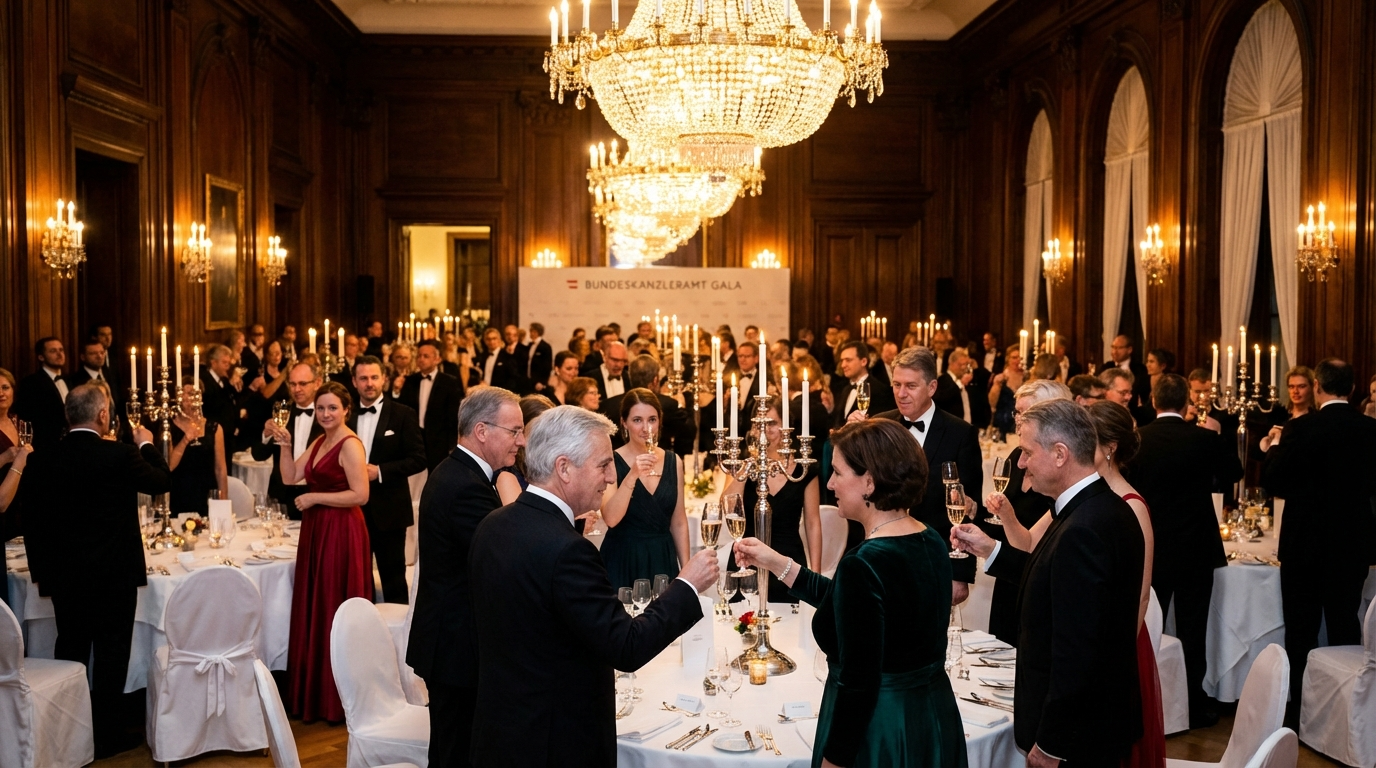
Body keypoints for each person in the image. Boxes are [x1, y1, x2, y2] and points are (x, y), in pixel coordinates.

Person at [468, 405, 717, 767]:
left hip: (501, 733)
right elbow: (626, 646)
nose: (610, 478)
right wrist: (687, 585)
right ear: (564, 468)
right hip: (556, 743)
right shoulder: (568, 550)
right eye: (603, 465)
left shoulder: (492, 525)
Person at [734, 419, 969, 768]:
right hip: (931, 715)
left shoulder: (865, 562)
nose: (830, 484)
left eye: (838, 473)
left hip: (879, 730)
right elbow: (857, 604)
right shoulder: (928, 538)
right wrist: (777, 562)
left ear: (869, 482)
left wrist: (835, 760)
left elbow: (859, 684)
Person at [951, 399, 1145, 765]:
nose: (1020, 462)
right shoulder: (1097, 508)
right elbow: (1057, 582)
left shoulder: (1085, 527)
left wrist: (1053, 742)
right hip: (1095, 725)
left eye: (1026, 451)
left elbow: (1077, 651)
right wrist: (990, 550)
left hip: (1080, 738)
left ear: (1060, 454)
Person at [19, 384, 169, 756]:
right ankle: (107, 736)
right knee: (111, 655)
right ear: (103, 415)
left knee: (70, 649)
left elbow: (31, 522)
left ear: (69, 416)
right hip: (114, 574)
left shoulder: (42, 457)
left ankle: (69, 731)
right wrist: (147, 443)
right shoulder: (119, 454)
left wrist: (44, 576)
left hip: (65, 577)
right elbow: (163, 481)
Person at [407, 387, 524, 768]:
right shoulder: (465, 487)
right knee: (456, 753)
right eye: (514, 431)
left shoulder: (464, 473)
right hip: (456, 646)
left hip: (453, 641)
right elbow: (499, 558)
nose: (520, 442)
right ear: (482, 430)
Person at [1260, 358, 1376, 727]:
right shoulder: (1370, 430)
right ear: (1353, 389)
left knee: (1300, 630)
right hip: (1350, 543)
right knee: (1345, 625)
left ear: (1318, 387)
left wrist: (1275, 446)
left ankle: (1295, 714)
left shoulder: (1301, 428)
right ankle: (1345, 712)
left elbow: (1274, 482)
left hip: (1304, 544)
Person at [1130, 373, 1243, 729]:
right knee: (1194, 629)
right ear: (1186, 404)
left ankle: (1146, 701)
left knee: (1148, 626)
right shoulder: (1204, 438)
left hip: (1154, 546)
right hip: (1196, 546)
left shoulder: (1139, 440)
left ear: (1153, 399)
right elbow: (1234, 473)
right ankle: (1193, 704)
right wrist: (1219, 439)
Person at [266, 381, 372, 723]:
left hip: (341, 532)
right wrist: (284, 445)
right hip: (318, 531)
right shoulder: (318, 440)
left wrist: (315, 498)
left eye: (332, 408)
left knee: (332, 604)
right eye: (321, 408)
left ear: (345, 410)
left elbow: (360, 494)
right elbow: (290, 476)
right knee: (315, 603)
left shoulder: (350, 444)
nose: (325, 414)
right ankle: (313, 694)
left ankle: (335, 699)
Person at [863, 346, 979, 602]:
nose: (901, 394)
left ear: (932, 387)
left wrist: (960, 573)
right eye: (896, 384)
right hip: (883, 556)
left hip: (934, 558)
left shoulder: (960, 434)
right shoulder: (880, 427)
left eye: (911, 386)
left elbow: (968, 510)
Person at [1085, 400, 1165, 764]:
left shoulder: (1133, 505)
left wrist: (1111, 660)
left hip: (1120, 644)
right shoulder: (1085, 494)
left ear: (1110, 448)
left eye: (1087, 440)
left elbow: (1142, 595)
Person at [977, 380, 1067, 645]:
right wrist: (974, 514)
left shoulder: (1056, 468)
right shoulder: (1018, 455)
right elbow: (1000, 522)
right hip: (1008, 576)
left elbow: (1035, 542)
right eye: (1017, 412)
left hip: (1035, 579)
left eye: (1026, 413)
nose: (1018, 420)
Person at [723, 399, 821, 599]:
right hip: (747, 563)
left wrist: (815, 574)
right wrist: (747, 464)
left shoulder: (804, 470)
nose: (764, 430)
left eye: (772, 423)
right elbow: (728, 508)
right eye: (758, 424)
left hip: (789, 563)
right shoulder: (741, 467)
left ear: (787, 428)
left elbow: (813, 524)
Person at [349, 356, 426, 605]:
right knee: (357, 577)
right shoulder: (344, 415)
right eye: (363, 378)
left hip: (390, 510)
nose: (369, 383)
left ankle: (399, 637)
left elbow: (418, 459)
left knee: (393, 578)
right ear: (354, 382)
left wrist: (379, 471)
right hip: (351, 510)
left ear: (384, 379)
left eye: (374, 377)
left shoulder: (403, 414)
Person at [598, 389, 687, 589]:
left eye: (652, 419)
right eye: (637, 420)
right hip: (623, 558)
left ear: (660, 421)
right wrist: (633, 474)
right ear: (624, 422)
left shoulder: (674, 462)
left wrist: (687, 573)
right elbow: (611, 518)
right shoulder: (610, 460)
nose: (646, 428)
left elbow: (679, 522)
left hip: (662, 556)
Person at [251, 360, 323, 518]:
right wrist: (266, 435)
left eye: (303, 384)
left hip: (314, 496)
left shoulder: (326, 416)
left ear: (317, 383)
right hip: (281, 494)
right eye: (292, 384)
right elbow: (258, 455)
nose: (297, 389)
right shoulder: (282, 412)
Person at [601, 354, 694, 457]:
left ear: (630, 376)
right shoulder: (668, 404)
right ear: (655, 380)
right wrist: (681, 405)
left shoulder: (608, 405)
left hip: (616, 465)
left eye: (652, 420)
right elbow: (688, 431)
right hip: (657, 463)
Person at [399, 339, 465, 470]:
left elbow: (453, 416)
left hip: (439, 440)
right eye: (419, 356)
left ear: (437, 359)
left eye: (426, 356)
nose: (421, 359)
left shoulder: (449, 382)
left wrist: (451, 444)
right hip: (415, 439)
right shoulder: (410, 381)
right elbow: (403, 408)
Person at [165, 384, 228, 515]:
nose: (188, 397)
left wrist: (224, 504)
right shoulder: (168, 427)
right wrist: (185, 440)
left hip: (206, 494)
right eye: (184, 393)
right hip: (178, 493)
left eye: (192, 393)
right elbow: (169, 466)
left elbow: (220, 469)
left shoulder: (214, 428)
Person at [495, 394, 556, 505]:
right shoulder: (507, 475)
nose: (550, 439)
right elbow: (519, 520)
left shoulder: (546, 466)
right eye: (541, 432)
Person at [13, 337, 68, 450]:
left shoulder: (71, 380)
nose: (59, 354)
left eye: (61, 350)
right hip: (46, 447)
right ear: (41, 357)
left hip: (69, 444)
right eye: (53, 351)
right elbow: (29, 417)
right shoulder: (31, 382)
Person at [832, 340, 895, 427]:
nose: (843, 365)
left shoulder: (881, 390)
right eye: (842, 360)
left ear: (863, 361)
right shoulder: (845, 389)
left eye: (848, 360)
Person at [0, 368, 31, 520]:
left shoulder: (19, 422)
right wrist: (4, 457)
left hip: (23, 500)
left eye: (5, 387)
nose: (1, 393)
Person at [199, 343, 245, 446]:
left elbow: (234, 403)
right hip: (213, 437)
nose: (228, 367)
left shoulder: (224, 380)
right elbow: (214, 406)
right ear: (214, 363)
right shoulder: (204, 381)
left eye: (229, 363)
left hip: (228, 436)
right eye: (224, 363)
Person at [987, 344, 1025, 435]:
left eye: (1020, 357)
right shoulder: (1001, 377)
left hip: (1021, 422)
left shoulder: (1026, 377)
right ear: (1008, 359)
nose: (1017, 360)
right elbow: (992, 403)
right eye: (1014, 357)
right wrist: (997, 385)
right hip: (1003, 422)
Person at [526, 322, 554, 395]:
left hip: (539, 383)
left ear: (536, 332)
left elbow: (547, 366)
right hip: (530, 381)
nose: (530, 333)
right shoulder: (530, 345)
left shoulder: (545, 347)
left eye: (531, 331)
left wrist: (542, 382)